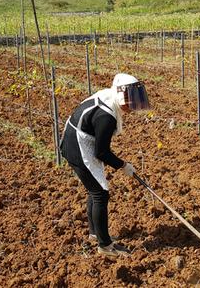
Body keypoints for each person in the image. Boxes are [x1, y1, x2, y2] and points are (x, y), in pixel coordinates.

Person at [61, 73, 150, 257]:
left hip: (79, 139)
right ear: (120, 94)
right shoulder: (106, 117)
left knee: (95, 190)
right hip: (77, 145)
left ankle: (96, 233)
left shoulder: (110, 97)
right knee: (100, 193)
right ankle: (105, 246)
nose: (132, 106)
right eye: (129, 100)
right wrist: (123, 165)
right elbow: (101, 152)